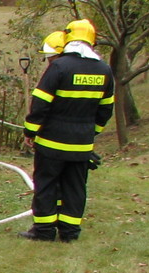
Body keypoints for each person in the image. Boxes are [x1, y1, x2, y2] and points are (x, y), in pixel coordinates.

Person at [20, 17, 115, 242]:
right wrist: (91, 133)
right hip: (82, 143)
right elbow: (105, 109)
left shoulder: (59, 67)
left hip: (51, 142)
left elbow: (41, 103)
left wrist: (30, 132)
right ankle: (70, 233)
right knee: (75, 187)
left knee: (46, 184)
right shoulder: (105, 70)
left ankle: (44, 232)